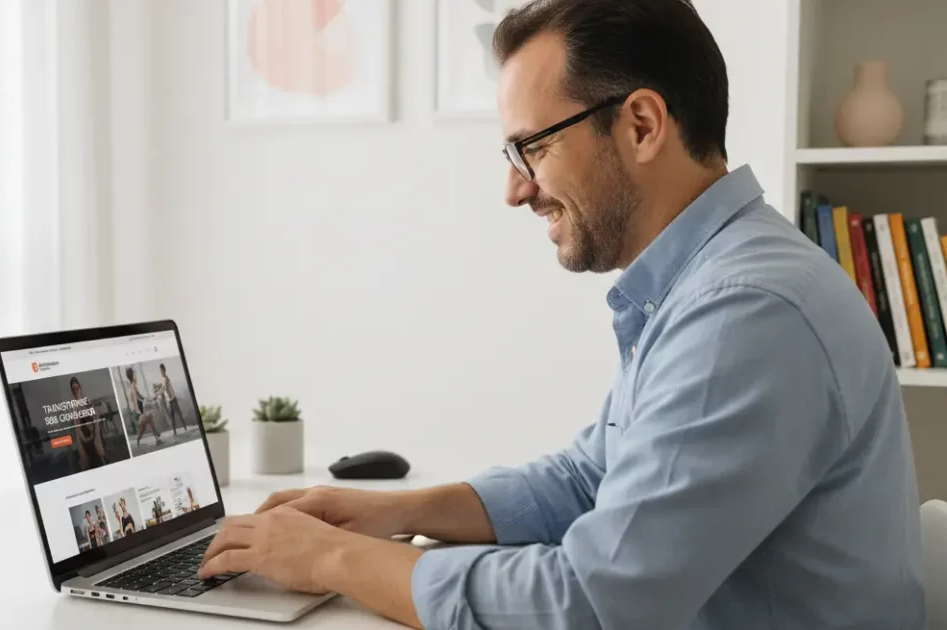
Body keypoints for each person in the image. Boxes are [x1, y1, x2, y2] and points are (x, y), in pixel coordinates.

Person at [197, 1, 926, 628]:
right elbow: (591, 479)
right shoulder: (710, 283)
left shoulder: (745, 314)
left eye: (532, 148)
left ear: (641, 124)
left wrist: (330, 557)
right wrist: (397, 512)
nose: (516, 191)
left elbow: (588, 605)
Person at [70, 377, 107, 471]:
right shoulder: (74, 408)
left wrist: (97, 436)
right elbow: (77, 428)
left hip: (95, 434)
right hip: (86, 438)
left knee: (101, 457)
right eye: (73, 389)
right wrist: (86, 439)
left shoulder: (87, 402)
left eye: (76, 388)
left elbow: (96, 417)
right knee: (94, 462)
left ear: (80, 387)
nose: (75, 391)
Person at [125, 367, 161, 448]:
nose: (136, 376)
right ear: (132, 375)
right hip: (140, 409)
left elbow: (137, 397)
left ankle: (153, 437)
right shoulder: (133, 385)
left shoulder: (132, 385)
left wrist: (147, 399)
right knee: (148, 420)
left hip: (140, 408)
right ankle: (156, 437)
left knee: (144, 427)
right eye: (135, 374)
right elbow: (139, 397)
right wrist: (149, 399)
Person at [159, 363, 188, 433]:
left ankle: (184, 428)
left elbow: (165, 388)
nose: (160, 372)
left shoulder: (166, 378)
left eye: (161, 370)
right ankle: (177, 430)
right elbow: (163, 388)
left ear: (163, 370)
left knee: (178, 415)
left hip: (173, 400)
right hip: (171, 401)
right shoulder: (164, 378)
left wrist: (165, 393)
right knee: (173, 417)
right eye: (160, 371)